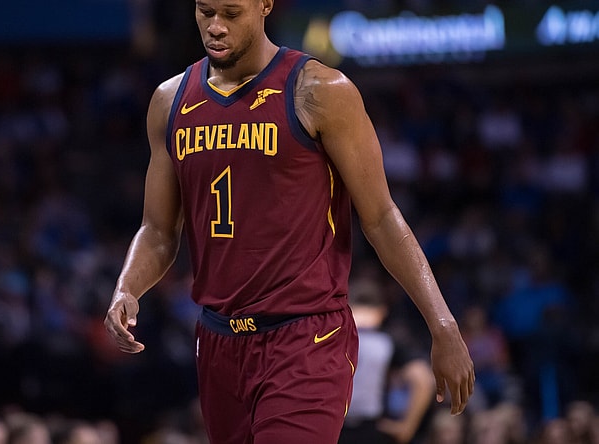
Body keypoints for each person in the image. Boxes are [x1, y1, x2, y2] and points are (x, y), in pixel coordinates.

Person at [104, 0, 475, 441]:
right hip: (218, 340)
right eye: (205, 12)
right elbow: (158, 231)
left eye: (231, 13)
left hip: (306, 337)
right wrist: (127, 289)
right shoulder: (170, 101)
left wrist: (442, 324)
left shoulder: (321, 90)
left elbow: (380, 217)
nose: (215, 26)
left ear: (265, 5)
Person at [338, 279, 435, 444]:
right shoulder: (387, 340)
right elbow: (423, 381)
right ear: (382, 311)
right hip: (371, 429)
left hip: (332, 424)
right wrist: (407, 427)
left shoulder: (332, 337)